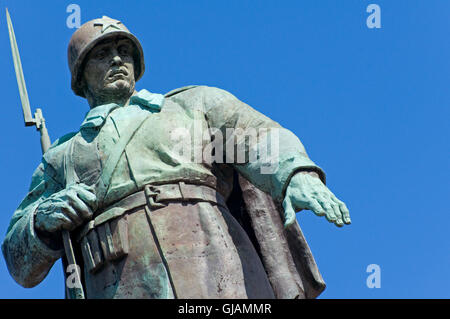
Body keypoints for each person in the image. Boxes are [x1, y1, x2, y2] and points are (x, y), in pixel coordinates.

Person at [2, 16, 350, 299]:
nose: (117, 60)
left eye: (125, 51)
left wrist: (296, 173)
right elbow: (19, 263)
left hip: (210, 262)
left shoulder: (191, 105)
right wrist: (40, 222)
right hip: (113, 279)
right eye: (102, 54)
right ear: (80, 77)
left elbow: (256, 135)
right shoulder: (62, 156)